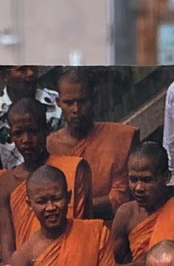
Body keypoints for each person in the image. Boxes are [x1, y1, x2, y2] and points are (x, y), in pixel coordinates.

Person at [0, 98, 92, 259]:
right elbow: (8, 244)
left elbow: (84, 227)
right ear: (11, 135)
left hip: (71, 259)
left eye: (33, 131)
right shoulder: (6, 183)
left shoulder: (74, 168)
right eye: (18, 133)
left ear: (46, 129)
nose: (26, 140)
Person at [47, 68, 139, 221]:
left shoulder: (121, 137)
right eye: (69, 103)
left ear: (94, 99)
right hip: (66, 230)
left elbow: (121, 196)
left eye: (82, 101)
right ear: (58, 103)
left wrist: (71, 209)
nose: (76, 109)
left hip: (114, 227)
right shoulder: (50, 145)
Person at [0, 65, 60, 169]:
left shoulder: (57, 102)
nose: (31, 73)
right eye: (22, 69)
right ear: (5, 75)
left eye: (33, 66)